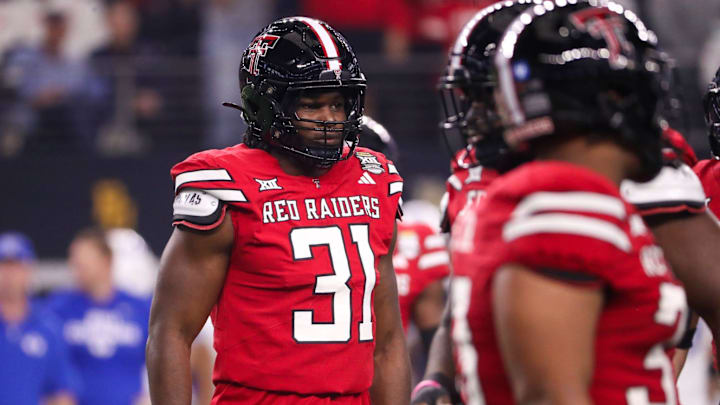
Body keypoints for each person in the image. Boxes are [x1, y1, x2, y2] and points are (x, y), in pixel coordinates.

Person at [146, 16, 410, 405]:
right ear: (263, 106)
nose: (330, 119)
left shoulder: (375, 179)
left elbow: (387, 343)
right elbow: (170, 332)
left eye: (338, 103)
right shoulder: (228, 183)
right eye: (312, 103)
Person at [452, 1, 688, 403]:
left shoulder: (557, 196)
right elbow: (551, 396)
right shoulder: (562, 205)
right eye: (638, 91)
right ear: (612, 98)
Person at [46, 228, 150, 405]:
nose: (76, 267)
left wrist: (151, 395)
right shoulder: (58, 309)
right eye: (74, 261)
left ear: (106, 260)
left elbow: (164, 358)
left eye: (83, 261)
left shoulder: (139, 308)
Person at [0, 232, 80, 405]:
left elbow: (61, 392)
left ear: (29, 270)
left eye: (16, 266)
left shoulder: (48, 328)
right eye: (4, 266)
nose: (9, 275)